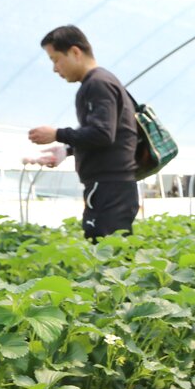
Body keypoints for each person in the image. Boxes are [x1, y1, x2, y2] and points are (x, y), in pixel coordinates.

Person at [27, 25, 140, 242]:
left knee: (105, 249)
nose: (55, 68)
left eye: (55, 59)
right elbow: (106, 133)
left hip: (109, 186)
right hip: (112, 186)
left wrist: (58, 134)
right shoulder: (102, 81)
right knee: (112, 249)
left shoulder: (97, 84)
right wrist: (66, 150)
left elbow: (102, 133)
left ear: (75, 52)